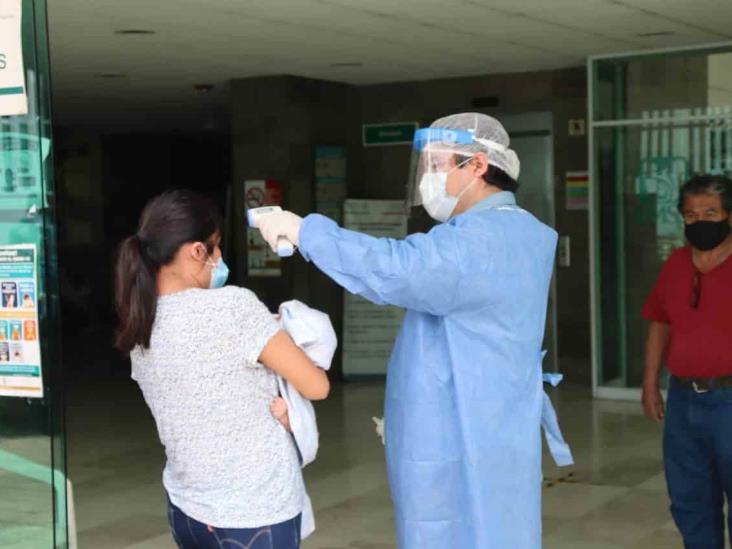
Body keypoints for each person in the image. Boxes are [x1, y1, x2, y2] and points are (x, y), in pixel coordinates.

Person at [257, 113, 572, 548]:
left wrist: (306, 232)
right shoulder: (520, 232)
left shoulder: (477, 241)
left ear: (478, 165)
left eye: (439, 165)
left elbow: (396, 268)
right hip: (493, 417)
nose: (429, 178)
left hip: (461, 429)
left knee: (455, 531)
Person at [114, 190, 329, 549]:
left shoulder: (139, 325)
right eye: (216, 247)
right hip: (256, 511)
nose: (220, 259)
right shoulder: (233, 307)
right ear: (197, 251)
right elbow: (317, 386)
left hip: (187, 508)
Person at [642, 174, 732, 549]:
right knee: (690, 501)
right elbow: (660, 323)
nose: (700, 222)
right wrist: (650, 383)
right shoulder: (676, 264)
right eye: (691, 215)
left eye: (710, 212)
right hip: (683, 402)